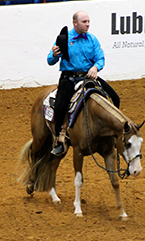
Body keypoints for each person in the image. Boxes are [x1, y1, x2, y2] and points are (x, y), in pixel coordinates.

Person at [47, 11, 120, 156]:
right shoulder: (64, 38)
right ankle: (60, 138)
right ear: (75, 23)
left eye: (88, 21)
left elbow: (100, 58)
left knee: (115, 98)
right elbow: (50, 60)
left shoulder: (92, 39)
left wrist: (95, 67)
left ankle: (112, 131)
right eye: (84, 22)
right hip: (69, 77)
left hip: (88, 76)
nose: (87, 24)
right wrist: (54, 55)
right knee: (61, 104)